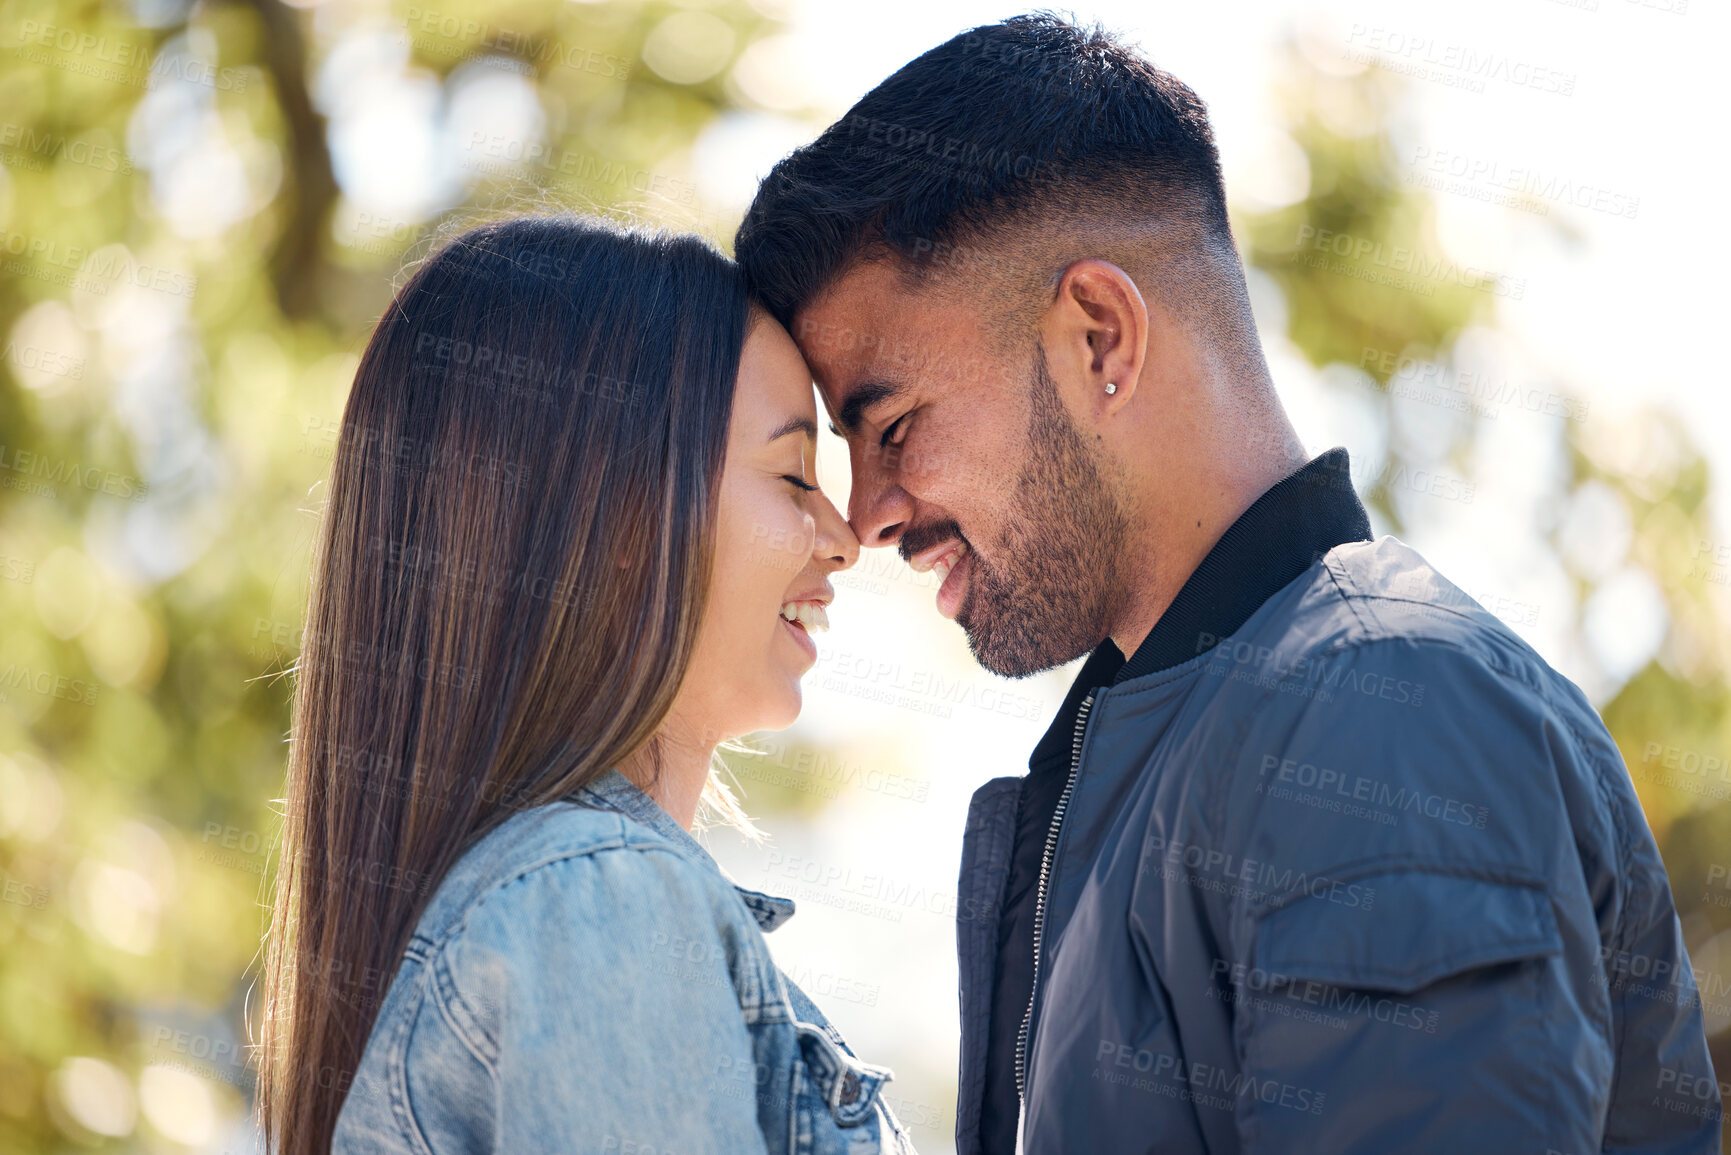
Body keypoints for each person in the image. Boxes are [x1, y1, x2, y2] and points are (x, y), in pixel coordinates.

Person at [735, 14, 1721, 1154]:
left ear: (1101, 335)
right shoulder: (1186, 747)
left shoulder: (1377, 716)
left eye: (894, 425)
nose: (867, 517)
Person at [258, 215, 915, 1155]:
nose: (844, 537)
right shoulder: (601, 894)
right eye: (792, 473)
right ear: (620, 523)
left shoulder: (560, 901)